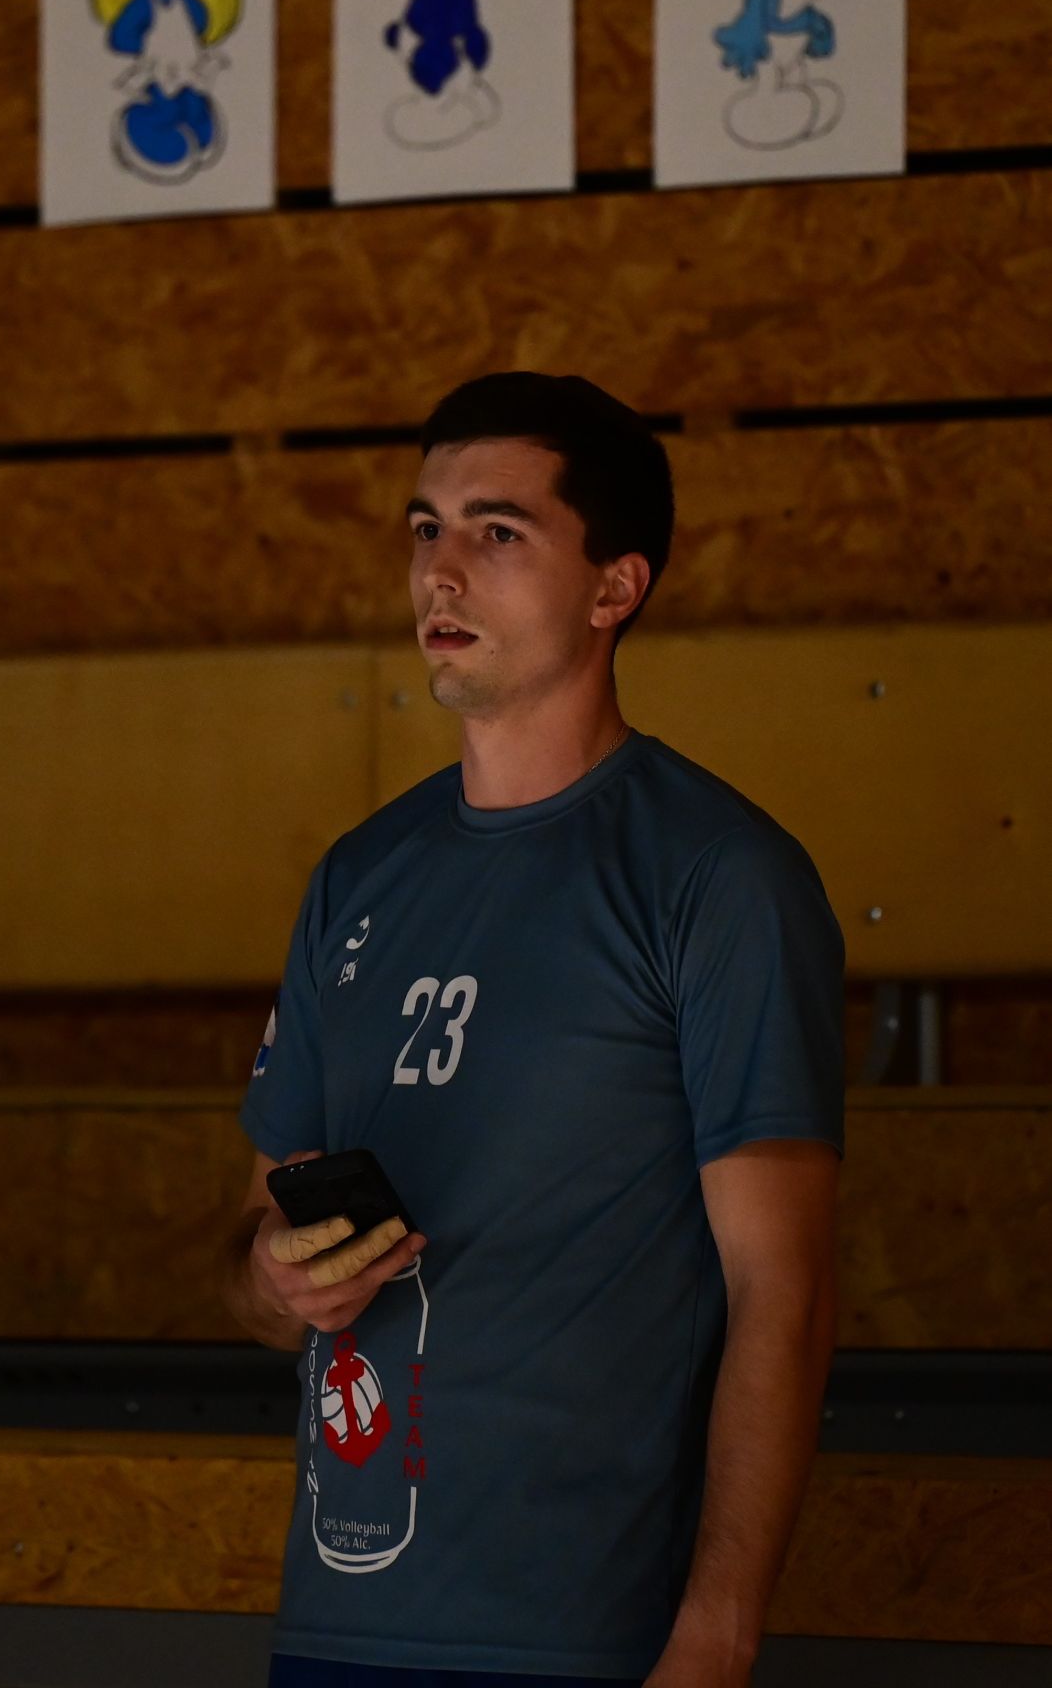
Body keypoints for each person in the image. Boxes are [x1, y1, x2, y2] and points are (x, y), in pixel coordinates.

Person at [221, 372, 844, 1688]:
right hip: (341, 1614)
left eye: (497, 531)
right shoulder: (357, 877)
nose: (440, 571)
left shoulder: (717, 876)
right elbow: (252, 1258)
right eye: (425, 527)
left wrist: (718, 1636)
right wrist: (279, 1280)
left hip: (585, 1632)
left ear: (616, 587)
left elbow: (780, 1291)